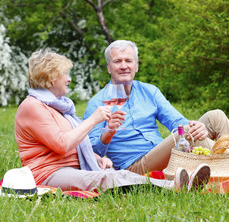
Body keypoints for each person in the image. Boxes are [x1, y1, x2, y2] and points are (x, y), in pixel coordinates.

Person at [83, 40, 229, 183]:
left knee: (214, 116)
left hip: (161, 151)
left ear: (136, 65)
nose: (123, 66)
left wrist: (196, 126)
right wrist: (108, 133)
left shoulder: (149, 91)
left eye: (128, 61)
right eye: (117, 62)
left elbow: (176, 121)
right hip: (134, 165)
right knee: (188, 136)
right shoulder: (98, 102)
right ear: (109, 67)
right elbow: (90, 153)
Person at [14, 49, 210, 193]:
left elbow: (75, 145)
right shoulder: (32, 107)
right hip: (49, 173)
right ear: (50, 79)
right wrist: (94, 119)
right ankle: (177, 186)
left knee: (112, 174)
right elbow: (62, 144)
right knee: (111, 177)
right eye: (65, 74)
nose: (69, 79)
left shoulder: (58, 107)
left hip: (70, 168)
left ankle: (187, 180)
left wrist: (98, 159)